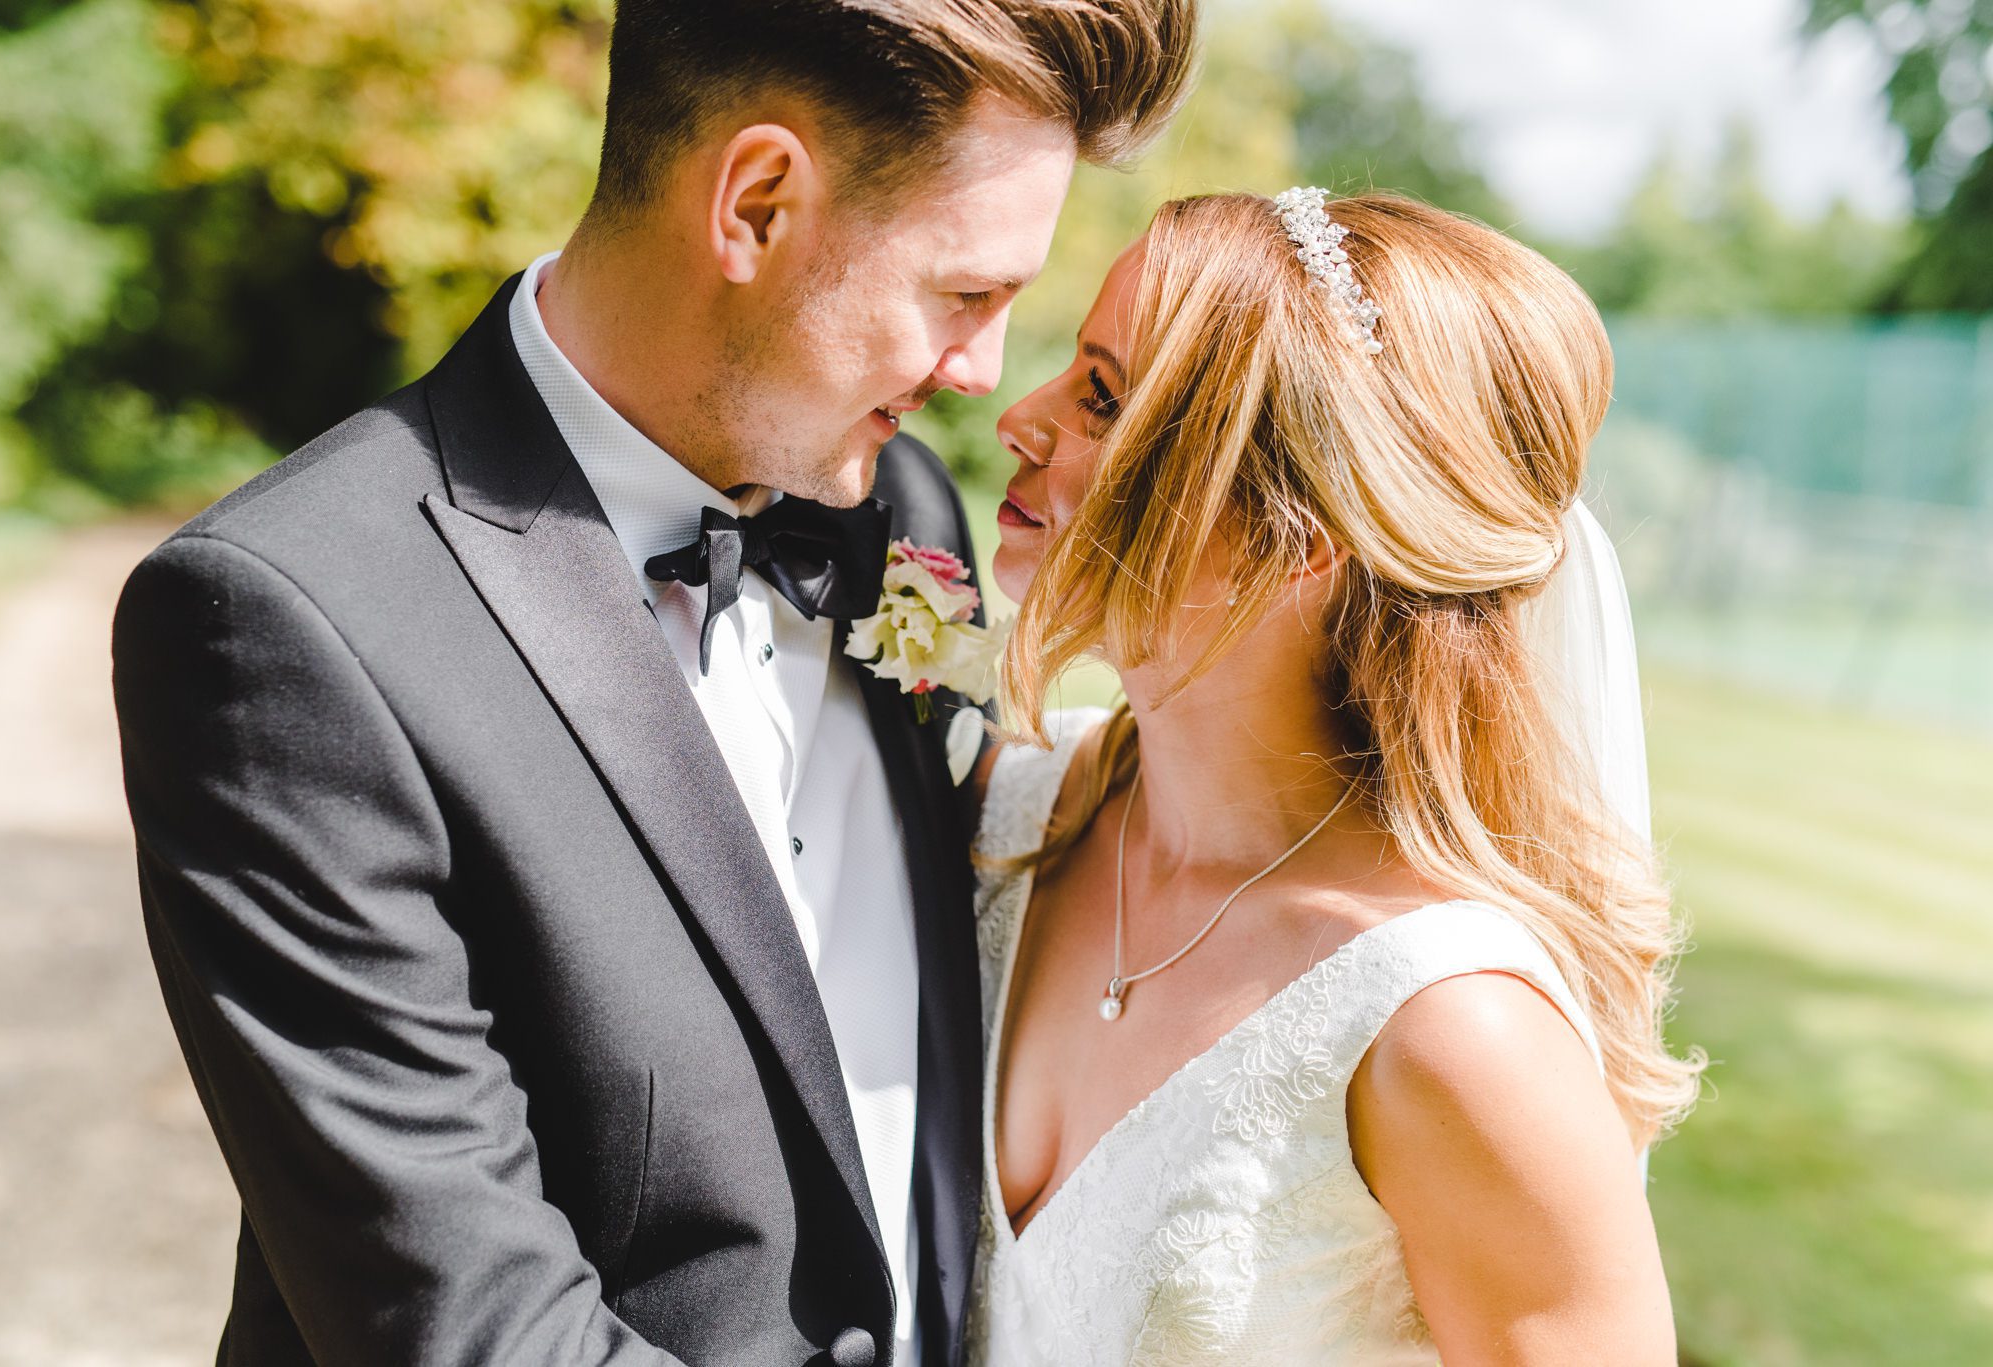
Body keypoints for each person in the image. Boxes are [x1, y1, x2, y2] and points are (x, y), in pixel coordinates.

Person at [109, 3, 1196, 1363]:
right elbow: (472, 1328)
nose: (981, 375)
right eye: (963, 295)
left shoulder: (899, 508)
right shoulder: (288, 618)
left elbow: (982, 843)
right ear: (754, 204)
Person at [968, 188, 1706, 1362]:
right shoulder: (998, 808)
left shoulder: (1451, 1029)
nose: (1019, 415)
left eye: (1104, 397)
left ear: (1297, 535)